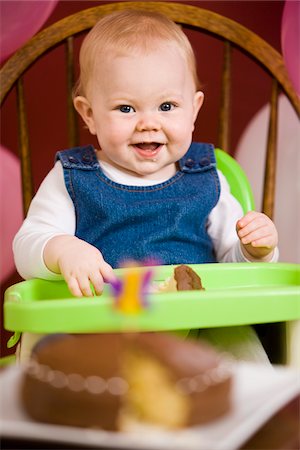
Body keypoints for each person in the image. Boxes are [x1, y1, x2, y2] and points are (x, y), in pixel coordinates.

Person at [13, 10, 278, 362]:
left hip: (200, 320)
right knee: (49, 349)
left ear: (194, 109)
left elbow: (233, 264)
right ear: (89, 113)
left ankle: (247, 406)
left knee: (242, 344)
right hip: (102, 325)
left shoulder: (207, 178)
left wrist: (254, 251)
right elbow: (27, 245)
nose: (148, 123)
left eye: (167, 106)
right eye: (126, 108)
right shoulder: (73, 177)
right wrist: (62, 250)